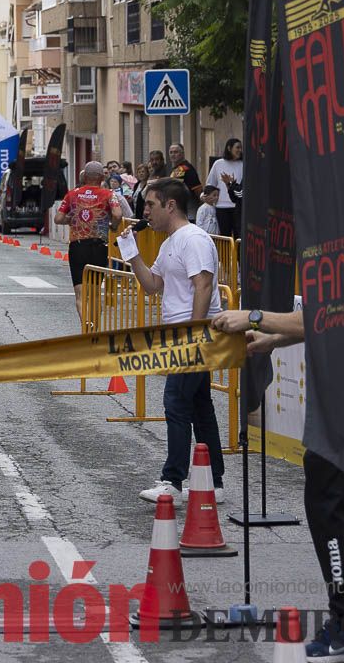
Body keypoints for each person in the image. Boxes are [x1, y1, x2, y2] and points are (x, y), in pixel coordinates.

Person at [210, 309, 344, 660]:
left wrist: (252, 318)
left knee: (329, 512)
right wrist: (273, 339)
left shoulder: (337, 258)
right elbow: (326, 322)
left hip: (340, 408)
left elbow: (321, 316)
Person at [119, 178, 224, 505]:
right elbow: (152, 285)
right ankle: (214, 483)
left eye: (150, 204)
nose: (145, 211)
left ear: (170, 205)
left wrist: (193, 334)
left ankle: (172, 480)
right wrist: (132, 254)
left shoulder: (193, 239)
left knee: (176, 402)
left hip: (192, 335)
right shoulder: (169, 243)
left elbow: (203, 285)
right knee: (199, 405)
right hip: (183, 334)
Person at [53, 162, 123, 326]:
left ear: (84, 177)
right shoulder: (108, 194)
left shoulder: (72, 194)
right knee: (96, 293)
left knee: (81, 294)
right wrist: (113, 225)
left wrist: (70, 220)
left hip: (78, 246)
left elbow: (58, 219)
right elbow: (118, 214)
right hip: (99, 246)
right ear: (102, 177)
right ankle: (95, 328)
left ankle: (86, 326)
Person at [204, 138, 243, 238]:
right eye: (237, 147)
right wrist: (205, 197)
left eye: (241, 148)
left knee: (239, 236)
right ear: (229, 148)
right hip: (221, 206)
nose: (240, 150)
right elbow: (210, 184)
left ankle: (238, 254)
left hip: (238, 207)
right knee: (225, 237)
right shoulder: (218, 163)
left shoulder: (243, 164)